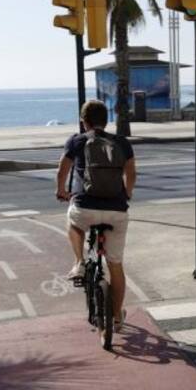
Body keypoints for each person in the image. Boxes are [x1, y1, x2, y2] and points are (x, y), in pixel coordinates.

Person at [56, 100, 137, 329]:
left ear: (84, 122)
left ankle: (80, 261)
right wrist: (127, 193)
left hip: (85, 207)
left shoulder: (76, 141)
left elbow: (62, 169)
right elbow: (131, 172)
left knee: (73, 222)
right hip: (117, 211)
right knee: (115, 265)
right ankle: (117, 317)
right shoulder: (121, 143)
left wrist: (61, 191)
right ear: (106, 120)